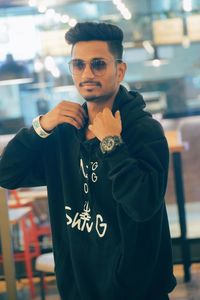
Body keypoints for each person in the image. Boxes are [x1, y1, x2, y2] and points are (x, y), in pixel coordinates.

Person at [0, 22, 176, 300]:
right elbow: (6, 173)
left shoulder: (143, 130)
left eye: (98, 64)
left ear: (120, 70)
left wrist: (112, 144)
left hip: (136, 291)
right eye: (78, 65)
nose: (87, 74)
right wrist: (42, 125)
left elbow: (142, 205)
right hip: (78, 289)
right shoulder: (63, 131)